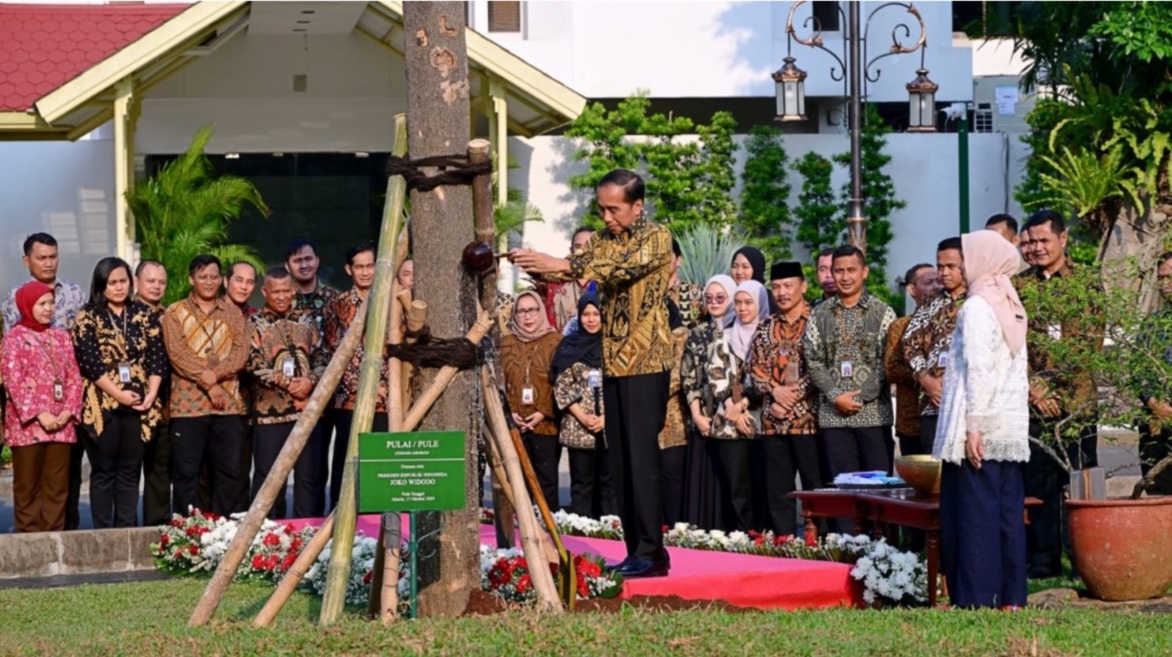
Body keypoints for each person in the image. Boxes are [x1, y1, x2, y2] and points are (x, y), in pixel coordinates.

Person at [509, 168, 674, 579]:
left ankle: (653, 553)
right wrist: (532, 264)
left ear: (637, 206)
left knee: (641, 461)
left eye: (614, 209)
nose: (606, 218)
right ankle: (637, 549)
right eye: (601, 209)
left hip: (646, 363)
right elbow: (573, 269)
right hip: (612, 364)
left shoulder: (656, 237)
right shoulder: (600, 241)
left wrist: (561, 263)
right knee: (620, 463)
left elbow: (616, 268)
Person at [934, 229, 1030, 610]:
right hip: (1008, 426)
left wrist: (975, 426)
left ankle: (977, 598)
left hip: (980, 426)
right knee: (1007, 513)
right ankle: (1011, 597)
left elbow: (979, 368)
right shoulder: (1008, 300)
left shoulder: (977, 306)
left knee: (975, 515)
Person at [1016, 210, 1103, 579]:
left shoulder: (1086, 281)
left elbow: (1088, 342)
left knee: (1080, 481)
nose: (1035, 248)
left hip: (1077, 404)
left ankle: (1084, 558)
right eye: (1029, 242)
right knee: (1039, 484)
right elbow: (1012, 343)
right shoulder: (1018, 286)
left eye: (1043, 241)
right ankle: (1043, 559)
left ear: (1063, 240)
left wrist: (1060, 393)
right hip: (1033, 403)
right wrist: (1036, 388)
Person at [71, 258, 166, 528]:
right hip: (102, 402)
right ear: (101, 285)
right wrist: (118, 394)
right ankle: (103, 532)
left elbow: (158, 359)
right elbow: (89, 363)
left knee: (130, 471)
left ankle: (126, 531)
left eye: (123, 281)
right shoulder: (87, 315)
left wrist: (152, 394)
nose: (118, 287)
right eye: (112, 283)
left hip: (139, 402)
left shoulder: (144, 314)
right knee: (104, 471)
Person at [3, 233, 88, 530]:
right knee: (27, 488)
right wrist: (41, 413)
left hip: (61, 426)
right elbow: (13, 380)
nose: (48, 309)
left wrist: (66, 412)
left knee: (57, 489)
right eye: (41, 304)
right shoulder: (14, 338)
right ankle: (28, 542)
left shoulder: (61, 337)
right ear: (27, 305)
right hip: (29, 427)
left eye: (51, 304)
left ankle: (55, 541)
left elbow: (75, 378)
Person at [161, 255, 250, 517]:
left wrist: (217, 375)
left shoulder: (233, 313)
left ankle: (225, 533)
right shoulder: (175, 312)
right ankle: (186, 534)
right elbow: (178, 354)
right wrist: (211, 385)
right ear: (191, 279)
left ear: (221, 280)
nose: (208, 282)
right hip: (188, 408)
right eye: (202, 276)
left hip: (228, 407)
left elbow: (241, 353)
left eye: (213, 276)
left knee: (228, 473)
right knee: (187, 474)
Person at [804, 245, 897, 488]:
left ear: (864, 272)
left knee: (878, 491)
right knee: (843, 492)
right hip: (834, 418)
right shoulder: (819, 314)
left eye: (851, 270)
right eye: (839, 271)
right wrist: (836, 397)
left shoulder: (882, 312)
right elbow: (813, 360)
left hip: (874, 416)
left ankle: (877, 530)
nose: (845, 277)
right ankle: (844, 530)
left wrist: (859, 398)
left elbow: (886, 362)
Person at [248, 267, 327, 518]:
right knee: (269, 478)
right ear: (264, 292)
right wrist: (287, 382)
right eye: (276, 292)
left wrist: (310, 380)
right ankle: (267, 538)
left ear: (293, 290)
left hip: (307, 413)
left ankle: (308, 535)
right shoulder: (254, 323)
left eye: (286, 291)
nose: (282, 296)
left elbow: (321, 357)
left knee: (309, 478)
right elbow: (252, 363)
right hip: (270, 416)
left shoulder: (306, 320)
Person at [750, 261, 823, 536]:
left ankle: (820, 544)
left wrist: (790, 397)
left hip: (809, 422)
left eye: (788, 286)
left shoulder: (817, 321)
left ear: (802, 286)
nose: (782, 292)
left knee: (814, 487)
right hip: (773, 424)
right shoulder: (764, 326)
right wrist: (774, 391)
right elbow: (754, 368)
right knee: (778, 490)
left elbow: (821, 368)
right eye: (777, 287)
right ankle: (784, 543)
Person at [323, 241, 390, 510]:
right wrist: (365, 387)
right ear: (348, 269)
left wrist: (384, 389)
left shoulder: (391, 300)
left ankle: (380, 526)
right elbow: (335, 353)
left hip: (386, 399)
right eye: (359, 267)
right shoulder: (337, 305)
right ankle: (342, 518)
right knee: (347, 461)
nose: (365, 272)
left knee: (381, 464)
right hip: (349, 399)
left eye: (370, 266)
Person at [285, 238, 339, 512]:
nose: (304, 265)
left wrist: (314, 382)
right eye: (297, 260)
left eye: (308, 259)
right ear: (288, 265)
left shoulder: (334, 300)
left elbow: (339, 348)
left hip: (326, 396)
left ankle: (319, 528)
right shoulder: (283, 298)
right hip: (288, 396)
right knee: (287, 469)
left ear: (317, 261)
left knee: (317, 468)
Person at [551, 288, 615, 518]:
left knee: (609, 486)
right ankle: (582, 536)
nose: (591, 319)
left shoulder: (613, 346)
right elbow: (561, 386)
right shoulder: (570, 345)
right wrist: (582, 416)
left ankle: (609, 536)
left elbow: (620, 384)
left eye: (596, 314)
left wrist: (606, 418)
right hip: (579, 427)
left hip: (609, 427)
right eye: (586, 314)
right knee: (582, 485)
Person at [680, 275, 738, 532]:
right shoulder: (697, 333)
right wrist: (697, 415)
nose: (714, 302)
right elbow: (688, 376)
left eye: (720, 297)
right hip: (702, 420)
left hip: (731, 420)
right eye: (709, 298)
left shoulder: (741, 330)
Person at [902, 238, 967, 455]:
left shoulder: (979, 297)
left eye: (951, 266)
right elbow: (910, 343)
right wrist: (927, 381)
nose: (944, 273)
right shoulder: (931, 301)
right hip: (933, 405)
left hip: (968, 405)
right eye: (940, 266)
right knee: (936, 475)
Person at [134, 259, 173, 525]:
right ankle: (122, 532)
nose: (156, 287)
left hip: (166, 407)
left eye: (161, 282)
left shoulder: (171, 316)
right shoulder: (124, 314)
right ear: (136, 282)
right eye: (151, 281)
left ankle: (156, 530)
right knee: (127, 474)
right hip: (131, 406)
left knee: (160, 472)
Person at [885, 263, 939, 458]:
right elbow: (891, 369)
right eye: (928, 282)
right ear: (911, 289)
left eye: (938, 281)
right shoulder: (900, 327)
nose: (936, 286)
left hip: (942, 418)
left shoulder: (952, 321)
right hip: (911, 420)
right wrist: (926, 377)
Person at [658, 243, 695, 526]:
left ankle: (677, 530)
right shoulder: (645, 297)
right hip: (646, 412)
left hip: (675, 408)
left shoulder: (693, 297)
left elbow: (683, 364)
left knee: (673, 477)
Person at [1134, 252, 1172, 496]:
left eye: (1171, 277)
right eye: (1162, 278)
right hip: (1159, 424)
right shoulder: (1153, 325)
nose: (1165, 284)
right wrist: (1155, 404)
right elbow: (1139, 371)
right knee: (1159, 493)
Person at [551, 227, 595, 333]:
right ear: (571, 251)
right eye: (578, 247)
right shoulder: (556, 284)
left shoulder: (607, 283)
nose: (583, 252)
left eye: (588, 246)